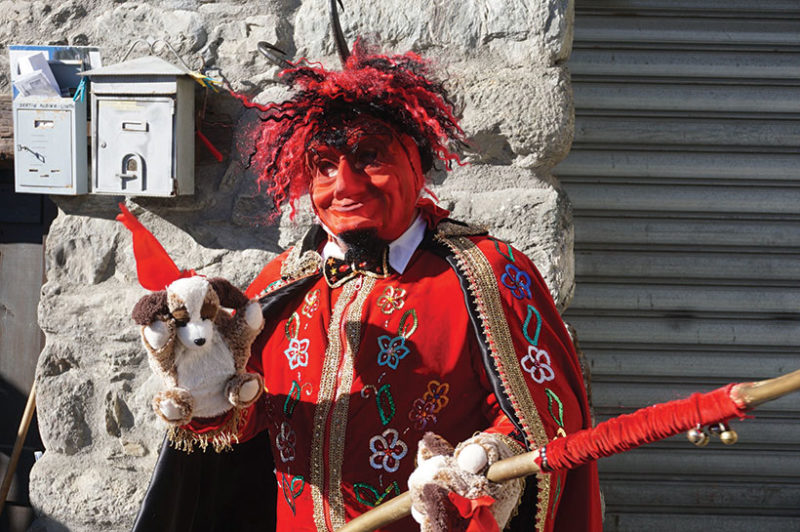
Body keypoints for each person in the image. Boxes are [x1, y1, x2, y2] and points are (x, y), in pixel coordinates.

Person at [132, 41, 602, 532]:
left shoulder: (490, 272)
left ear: (416, 165)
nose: (346, 186)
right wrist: (203, 392)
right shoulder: (284, 281)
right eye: (325, 166)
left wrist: (484, 460)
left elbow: (548, 417)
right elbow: (247, 420)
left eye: (369, 157)